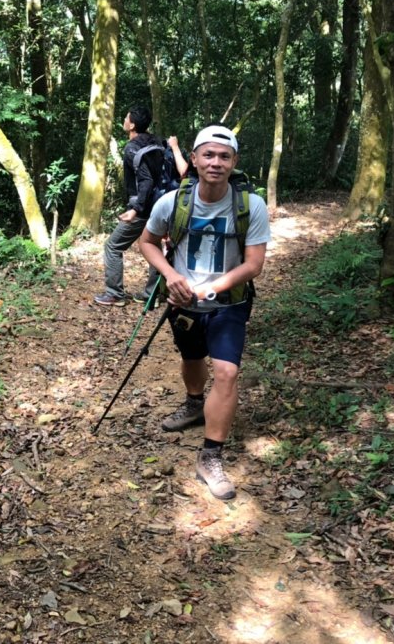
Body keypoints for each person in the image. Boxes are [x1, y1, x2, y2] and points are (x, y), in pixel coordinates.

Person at [139, 125, 270, 500]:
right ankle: (195, 403)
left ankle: (210, 456)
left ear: (234, 163)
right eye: (208, 155)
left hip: (230, 303)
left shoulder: (251, 206)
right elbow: (147, 243)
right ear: (193, 159)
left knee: (226, 372)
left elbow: (254, 265)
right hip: (182, 302)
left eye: (224, 156)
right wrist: (170, 276)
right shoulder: (171, 203)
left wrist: (211, 287)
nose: (215, 162)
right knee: (192, 356)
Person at [94, 106, 166, 307]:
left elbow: (146, 180)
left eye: (126, 118)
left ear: (132, 125)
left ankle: (114, 293)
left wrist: (135, 208)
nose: (124, 120)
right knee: (153, 246)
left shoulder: (132, 148)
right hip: (161, 206)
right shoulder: (157, 142)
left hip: (143, 209)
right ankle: (154, 293)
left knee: (112, 246)